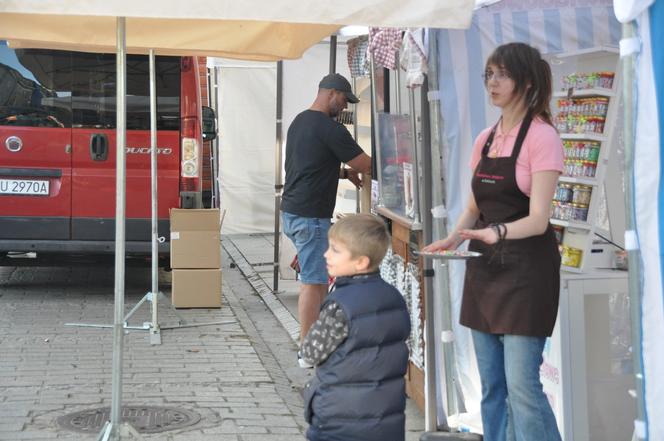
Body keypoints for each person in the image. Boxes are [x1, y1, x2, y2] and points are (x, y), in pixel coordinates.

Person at [423, 42, 563, 441]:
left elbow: (538, 220)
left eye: (501, 74)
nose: (492, 82)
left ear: (526, 81)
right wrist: (451, 237)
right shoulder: (484, 138)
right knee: (492, 388)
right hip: (484, 267)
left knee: (522, 388)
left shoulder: (542, 137)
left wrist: (496, 232)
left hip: (527, 271)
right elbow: (472, 206)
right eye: (488, 74)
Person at [281, 73, 372, 365]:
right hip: (311, 217)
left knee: (318, 281)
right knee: (313, 281)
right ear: (331, 93)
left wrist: (344, 174)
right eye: (344, 100)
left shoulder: (299, 121)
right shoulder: (330, 129)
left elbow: (309, 165)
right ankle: (308, 350)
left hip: (293, 211)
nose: (344, 107)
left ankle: (315, 340)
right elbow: (367, 164)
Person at [300, 213, 410, 441]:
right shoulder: (395, 297)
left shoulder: (339, 306)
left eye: (335, 250)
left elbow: (309, 354)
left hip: (339, 420)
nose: (326, 255)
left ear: (361, 262)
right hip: (385, 420)